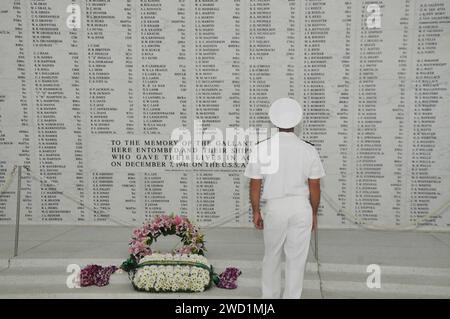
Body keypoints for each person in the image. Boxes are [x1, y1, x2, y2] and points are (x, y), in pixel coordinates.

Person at [244, 97, 325, 299]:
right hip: (300, 208)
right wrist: (314, 213)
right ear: (297, 123)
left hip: (275, 208)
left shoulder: (262, 148)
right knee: (296, 260)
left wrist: (255, 211)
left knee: (271, 256)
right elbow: (315, 187)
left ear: (275, 122)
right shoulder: (308, 149)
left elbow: (255, 184)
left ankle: (269, 299)